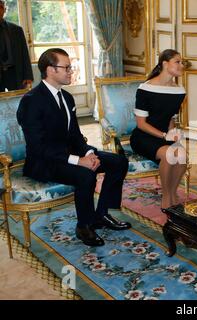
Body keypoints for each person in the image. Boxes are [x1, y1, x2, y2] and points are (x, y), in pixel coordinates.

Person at [17, 48, 130, 247]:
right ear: (50, 70)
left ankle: (101, 214)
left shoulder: (67, 97)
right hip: (45, 162)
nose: (71, 71)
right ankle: (84, 226)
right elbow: (38, 147)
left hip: (69, 155)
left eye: (71, 67)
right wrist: (79, 161)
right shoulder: (32, 101)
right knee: (85, 174)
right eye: (67, 67)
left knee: (118, 161)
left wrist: (88, 153)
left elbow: (75, 135)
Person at [130, 49, 187, 210]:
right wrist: (164, 136)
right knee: (169, 155)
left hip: (164, 136)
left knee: (182, 156)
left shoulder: (179, 91)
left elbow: (169, 118)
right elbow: (141, 124)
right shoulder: (145, 88)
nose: (181, 65)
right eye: (178, 61)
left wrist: (173, 134)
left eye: (181, 62)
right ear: (164, 63)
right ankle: (167, 197)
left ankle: (173, 192)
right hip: (143, 136)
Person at [0, 0, 33, 91]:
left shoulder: (16, 30)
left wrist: (28, 76)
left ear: (5, 10)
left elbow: (24, 53)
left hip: (15, 73)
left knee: (19, 101)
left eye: (1, 8)